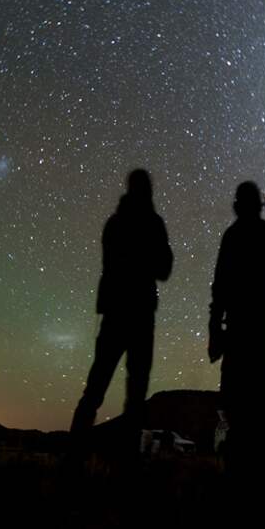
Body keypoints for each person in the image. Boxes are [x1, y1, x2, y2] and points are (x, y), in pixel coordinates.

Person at [70, 169, 173, 441]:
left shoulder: (114, 223)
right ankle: (126, 469)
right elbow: (164, 269)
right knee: (136, 395)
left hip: (115, 314)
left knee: (95, 389)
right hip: (140, 316)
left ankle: (73, 462)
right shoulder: (153, 224)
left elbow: (112, 264)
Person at [208, 182, 265, 473]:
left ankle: (238, 469)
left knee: (236, 402)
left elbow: (219, 288)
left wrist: (215, 329)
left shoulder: (231, 236)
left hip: (237, 330)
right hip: (261, 330)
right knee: (263, 401)